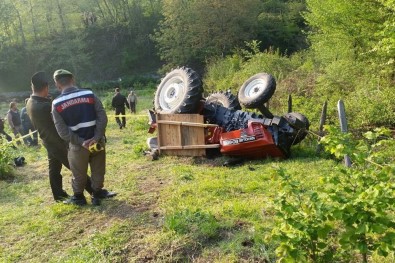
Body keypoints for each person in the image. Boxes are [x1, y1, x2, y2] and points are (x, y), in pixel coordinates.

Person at [27, 72, 115, 202]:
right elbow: (64, 125)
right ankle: (91, 192)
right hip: (60, 143)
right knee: (78, 170)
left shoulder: (30, 102)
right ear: (46, 87)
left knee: (55, 169)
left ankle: (59, 195)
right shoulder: (46, 105)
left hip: (48, 141)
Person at [51, 69, 112, 206]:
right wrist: (96, 137)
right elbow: (102, 117)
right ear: (73, 79)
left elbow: (62, 131)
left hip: (78, 146)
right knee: (98, 169)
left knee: (78, 173)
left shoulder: (56, 104)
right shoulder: (89, 94)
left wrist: (81, 142)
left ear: (57, 84)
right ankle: (97, 194)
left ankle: (79, 198)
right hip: (97, 142)